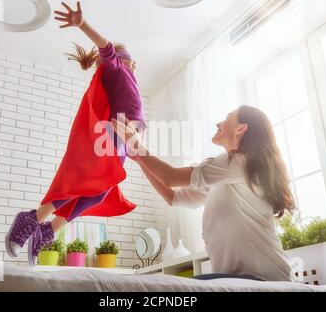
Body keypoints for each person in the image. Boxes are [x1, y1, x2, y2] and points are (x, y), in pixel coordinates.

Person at [5, 0, 145, 266]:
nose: (135, 62)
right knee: (88, 181)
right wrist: (82, 24)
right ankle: (32, 218)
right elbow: (106, 47)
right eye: (129, 57)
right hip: (111, 138)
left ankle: (47, 230)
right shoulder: (117, 70)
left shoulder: (132, 84)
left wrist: (138, 144)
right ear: (122, 60)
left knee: (99, 192)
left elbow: (137, 120)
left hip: (123, 146)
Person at [111, 106, 295, 281]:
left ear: (241, 129)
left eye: (227, 118)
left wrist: (137, 146)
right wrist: (139, 159)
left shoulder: (240, 163)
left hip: (263, 279)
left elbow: (170, 177)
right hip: (239, 279)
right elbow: (173, 197)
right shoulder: (225, 175)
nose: (218, 124)